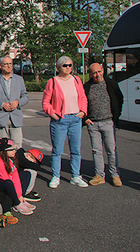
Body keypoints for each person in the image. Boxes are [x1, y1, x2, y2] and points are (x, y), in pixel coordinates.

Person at [42, 56, 88, 189]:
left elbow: (83, 97)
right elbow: (45, 102)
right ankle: (56, 176)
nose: (68, 67)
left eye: (70, 65)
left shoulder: (76, 80)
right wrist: (54, 115)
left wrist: (83, 112)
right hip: (60, 121)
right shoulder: (53, 82)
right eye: (65, 65)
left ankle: (75, 176)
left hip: (75, 119)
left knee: (75, 150)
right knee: (57, 151)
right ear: (58, 67)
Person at [84, 63, 124, 187]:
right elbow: (81, 102)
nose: (97, 75)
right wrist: (85, 118)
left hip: (108, 122)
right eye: (94, 73)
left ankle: (115, 174)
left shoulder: (111, 84)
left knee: (111, 150)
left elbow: (119, 99)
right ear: (90, 74)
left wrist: (115, 116)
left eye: (99, 71)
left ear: (102, 71)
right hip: (93, 123)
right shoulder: (87, 87)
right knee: (97, 151)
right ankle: (99, 175)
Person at [0, 56, 29, 149]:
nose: (8, 66)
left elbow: (25, 96)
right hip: (1, 118)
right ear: (0, 66)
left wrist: (18, 102)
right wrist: (2, 104)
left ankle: (15, 164)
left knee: (17, 147)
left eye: (10, 64)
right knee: (4, 149)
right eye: (6, 64)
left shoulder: (19, 79)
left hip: (15, 117)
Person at [0, 138, 35, 216]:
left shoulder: (9, 159)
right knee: (8, 183)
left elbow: (15, 176)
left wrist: (19, 194)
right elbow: (6, 179)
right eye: (11, 149)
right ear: (4, 151)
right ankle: (17, 203)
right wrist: (17, 196)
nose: (14, 151)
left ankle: (20, 199)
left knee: (27, 174)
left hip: (8, 182)